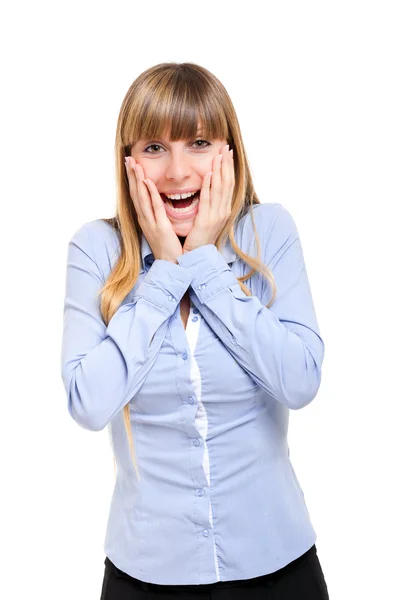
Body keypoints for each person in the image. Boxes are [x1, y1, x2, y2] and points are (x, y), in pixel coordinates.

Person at [61, 62, 329, 599]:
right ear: (128, 161)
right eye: (155, 147)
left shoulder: (270, 231)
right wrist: (163, 272)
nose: (178, 171)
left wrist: (203, 261)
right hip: (147, 575)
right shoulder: (95, 249)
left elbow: (300, 380)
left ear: (229, 153)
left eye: (199, 142)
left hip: (278, 567)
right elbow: (88, 403)